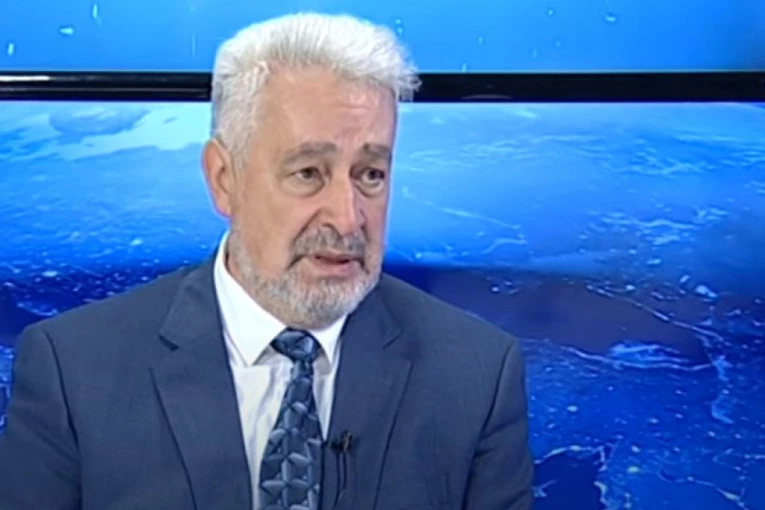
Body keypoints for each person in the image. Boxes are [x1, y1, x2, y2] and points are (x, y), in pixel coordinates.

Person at [0, 12, 534, 510]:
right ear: (224, 179)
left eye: (370, 174)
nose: (348, 218)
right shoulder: (73, 371)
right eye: (308, 173)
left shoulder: (477, 376)